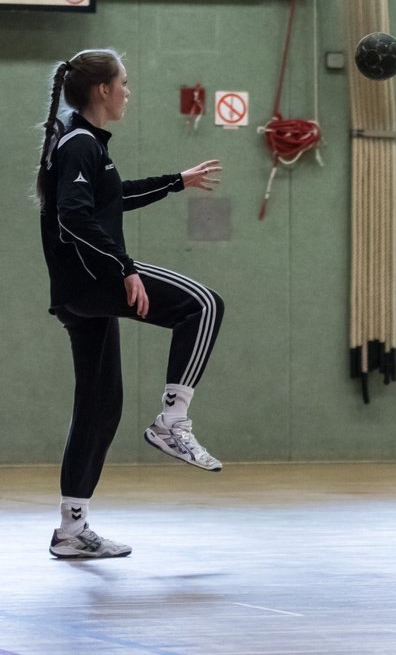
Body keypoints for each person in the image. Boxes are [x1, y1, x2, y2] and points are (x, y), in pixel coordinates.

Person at [35, 49, 226, 560]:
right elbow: (73, 219)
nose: (128, 91)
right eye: (124, 82)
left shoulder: (83, 143)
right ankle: (172, 422)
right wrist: (124, 266)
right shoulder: (79, 144)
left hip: (78, 293)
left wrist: (176, 181)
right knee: (203, 305)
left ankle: (72, 530)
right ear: (102, 90)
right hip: (94, 282)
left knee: (99, 407)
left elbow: (111, 198)